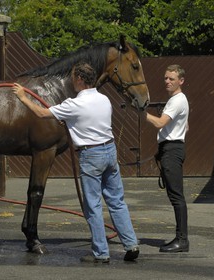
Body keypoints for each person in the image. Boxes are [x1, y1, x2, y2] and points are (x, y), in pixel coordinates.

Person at [12, 62, 139, 263]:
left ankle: (101, 253)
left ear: (79, 79)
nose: (72, 81)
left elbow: (42, 114)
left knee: (93, 206)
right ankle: (131, 244)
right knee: (116, 201)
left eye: (73, 78)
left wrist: (22, 97)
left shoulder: (74, 104)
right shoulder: (104, 99)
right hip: (110, 151)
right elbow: (88, 120)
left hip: (92, 155)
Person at [143, 64, 190, 253]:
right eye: (165, 78)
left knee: (177, 196)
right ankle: (181, 238)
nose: (167, 82)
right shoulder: (179, 100)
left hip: (172, 150)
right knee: (175, 195)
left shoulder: (177, 100)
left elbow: (160, 122)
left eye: (171, 79)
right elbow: (186, 126)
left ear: (181, 81)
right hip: (170, 148)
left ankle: (182, 240)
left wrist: (140, 113)